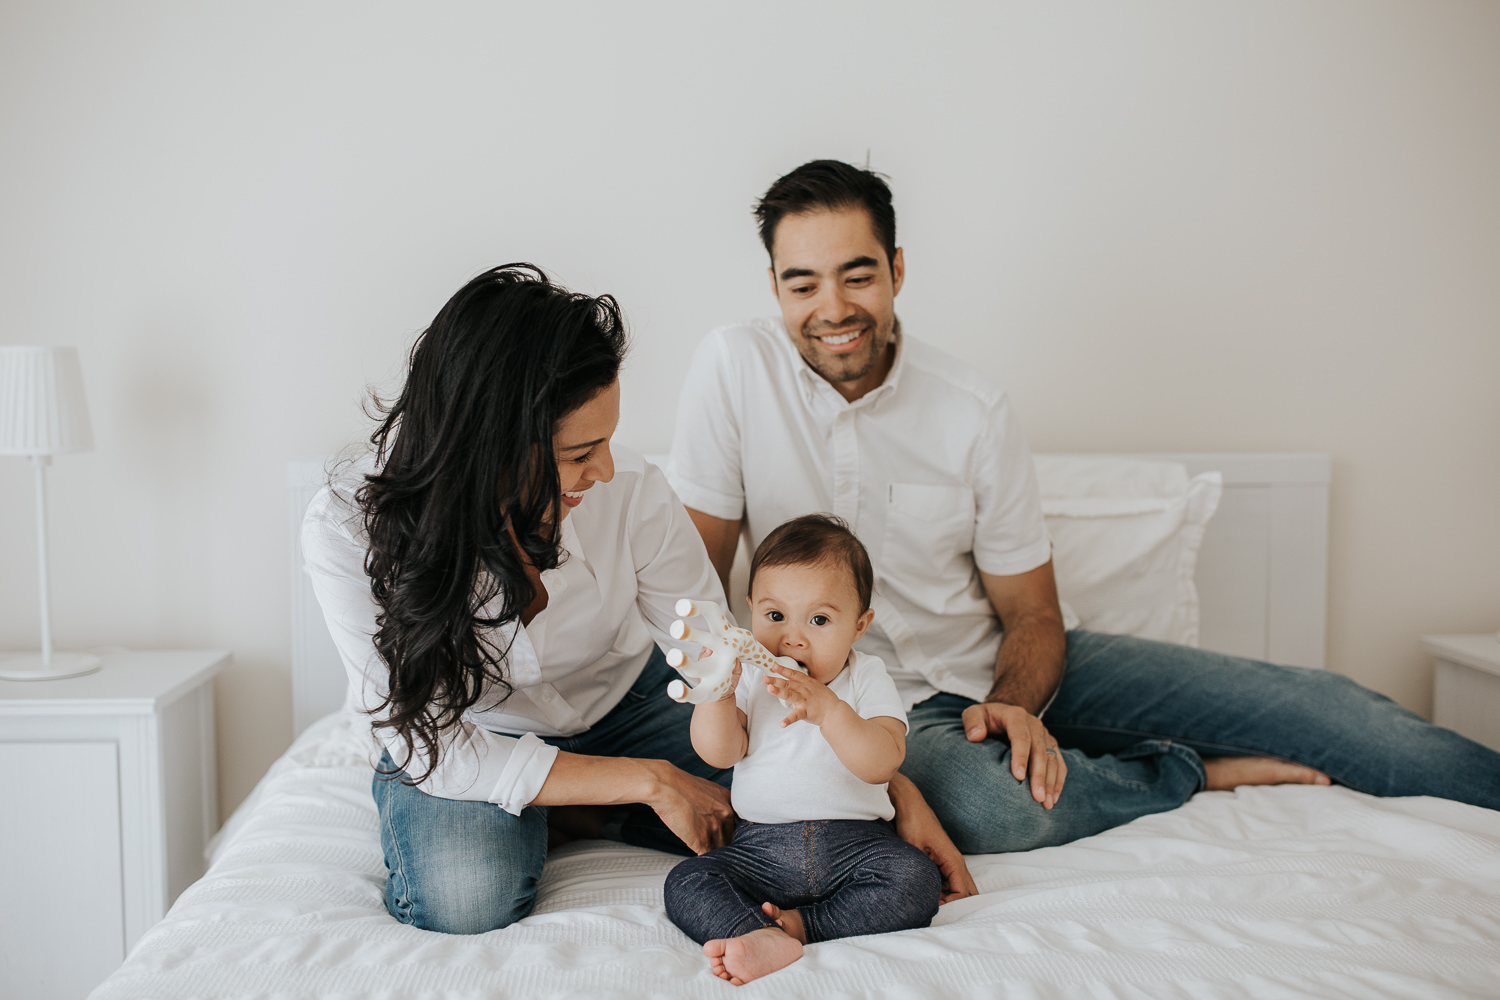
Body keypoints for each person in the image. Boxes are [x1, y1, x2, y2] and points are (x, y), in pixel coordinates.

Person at [668, 160, 1500, 856]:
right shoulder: (734, 369)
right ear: (773, 287)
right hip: (882, 707)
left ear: (897, 269)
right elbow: (697, 583)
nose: (833, 308)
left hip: (996, 665)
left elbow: (1031, 611)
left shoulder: (972, 408)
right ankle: (1186, 771)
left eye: (858, 273)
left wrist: (1015, 706)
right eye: (801, 282)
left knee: (1319, 709)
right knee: (995, 807)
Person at [301, 263, 972, 935]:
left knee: (789, 821)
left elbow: (718, 651)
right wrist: (650, 782)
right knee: (465, 899)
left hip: (630, 701)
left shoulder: (632, 493)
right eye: (579, 452)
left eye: (608, 442)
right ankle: (589, 801)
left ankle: (575, 809)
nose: (606, 470)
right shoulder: (348, 529)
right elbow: (436, 749)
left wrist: (886, 784)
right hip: (476, 733)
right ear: (490, 446)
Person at [663, 514, 941, 985]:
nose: (792, 637)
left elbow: (883, 762)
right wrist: (720, 695)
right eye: (774, 616)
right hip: (759, 848)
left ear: (860, 624)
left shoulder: (866, 676)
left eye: (819, 619)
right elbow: (720, 753)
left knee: (915, 881)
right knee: (686, 882)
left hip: (857, 846)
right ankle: (755, 933)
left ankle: (801, 927)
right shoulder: (750, 676)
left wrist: (830, 711)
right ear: (749, 610)